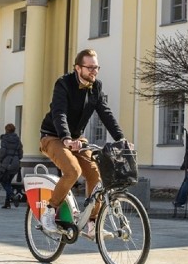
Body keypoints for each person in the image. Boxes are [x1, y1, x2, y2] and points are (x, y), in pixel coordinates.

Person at [39, 49, 126, 238]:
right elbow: (59, 113)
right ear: (78, 68)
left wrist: (121, 139)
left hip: (77, 139)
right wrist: (66, 139)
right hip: (53, 136)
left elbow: (105, 114)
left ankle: (91, 224)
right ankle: (50, 211)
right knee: (73, 170)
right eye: (90, 67)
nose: (94, 71)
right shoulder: (64, 84)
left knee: (96, 174)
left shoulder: (96, 87)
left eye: (96, 67)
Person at [0, 123, 23, 209]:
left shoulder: (5, 139)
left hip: (6, 163)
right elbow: (21, 153)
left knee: (2, 180)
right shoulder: (17, 139)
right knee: (8, 182)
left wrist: (0, 160)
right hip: (15, 163)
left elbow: (3, 151)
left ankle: (12, 195)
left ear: (6, 130)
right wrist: (17, 158)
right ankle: (7, 202)